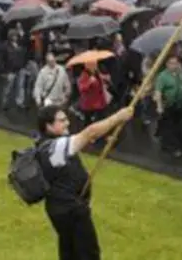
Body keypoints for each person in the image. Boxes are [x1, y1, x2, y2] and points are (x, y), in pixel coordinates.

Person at [36, 104, 134, 260]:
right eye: (61, 121)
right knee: (88, 255)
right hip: (70, 211)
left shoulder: (50, 145)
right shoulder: (54, 148)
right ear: (48, 126)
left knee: (70, 253)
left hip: (64, 207)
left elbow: (90, 138)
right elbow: (90, 133)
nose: (67, 123)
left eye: (66, 119)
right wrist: (118, 117)